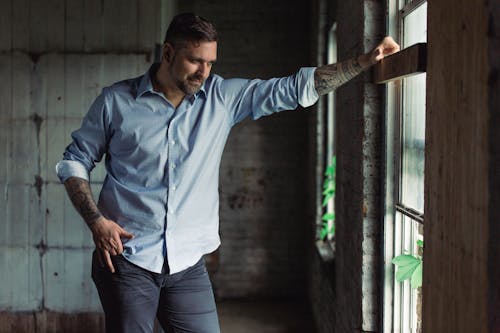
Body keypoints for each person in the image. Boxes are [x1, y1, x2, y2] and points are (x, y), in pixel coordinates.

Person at [56, 12, 399, 333]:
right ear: (168, 52)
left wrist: (362, 62)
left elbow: (293, 89)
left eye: (210, 63)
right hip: (126, 261)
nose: (203, 72)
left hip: (188, 265)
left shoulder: (221, 98)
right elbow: (74, 161)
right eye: (195, 61)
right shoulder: (115, 101)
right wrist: (96, 221)